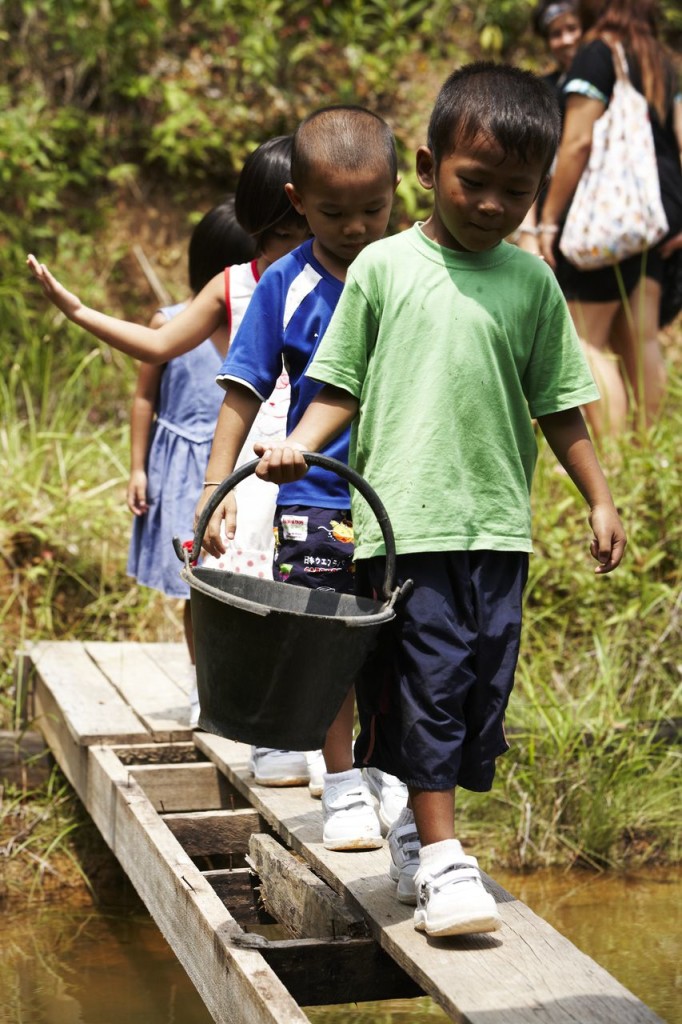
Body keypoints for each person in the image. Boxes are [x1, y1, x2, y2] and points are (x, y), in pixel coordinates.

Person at [253, 64, 627, 937]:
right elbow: (336, 384)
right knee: (424, 684)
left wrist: (599, 498)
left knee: (476, 691)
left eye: (516, 191)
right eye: (474, 183)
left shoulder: (532, 285)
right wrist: (297, 446)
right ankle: (447, 854)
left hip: (497, 530)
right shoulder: (384, 267)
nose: (494, 205)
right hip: (404, 528)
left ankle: (423, 842)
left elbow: (559, 406)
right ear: (426, 166)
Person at [26, 137, 312, 769]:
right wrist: (77, 310)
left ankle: (316, 741)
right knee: (240, 594)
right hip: (247, 465)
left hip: (320, 462)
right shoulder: (236, 285)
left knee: (313, 590)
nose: (305, 234)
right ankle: (259, 723)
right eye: (289, 224)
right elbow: (156, 347)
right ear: (263, 222)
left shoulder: (351, 277)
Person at [195, 105, 407, 849]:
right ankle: (342, 781)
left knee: (401, 643)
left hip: (406, 496)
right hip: (315, 492)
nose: (354, 228)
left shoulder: (413, 271)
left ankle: (391, 773)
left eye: (372, 210)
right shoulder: (283, 283)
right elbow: (242, 389)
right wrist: (215, 487)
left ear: (398, 193)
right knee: (327, 638)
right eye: (333, 212)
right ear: (296, 204)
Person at [127, 197, 255, 727]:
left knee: (245, 581)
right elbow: (144, 398)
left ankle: (245, 688)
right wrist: (137, 467)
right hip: (185, 471)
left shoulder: (259, 321)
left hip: (242, 469)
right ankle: (204, 684)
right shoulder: (172, 323)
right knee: (197, 586)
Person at [538, 0, 682, 437]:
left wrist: (546, 221)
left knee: (587, 342)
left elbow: (578, 141)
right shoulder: (660, 58)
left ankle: (613, 456)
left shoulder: (598, 52)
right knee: (640, 337)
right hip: (658, 212)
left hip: (608, 216)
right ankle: (649, 450)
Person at [516, 0, 583, 255]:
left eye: (572, 28)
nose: (566, 40)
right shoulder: (543, 90)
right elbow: (528, 158)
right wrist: (528, 230)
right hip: (553, 223)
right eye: (556, 34)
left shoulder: (618, 84)